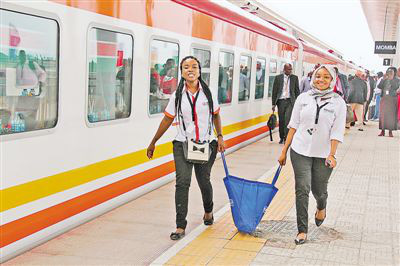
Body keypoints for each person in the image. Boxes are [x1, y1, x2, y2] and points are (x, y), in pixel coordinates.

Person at [147, 56, 225, 240]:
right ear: (181, 72)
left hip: (206, 144)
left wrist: (220, 136)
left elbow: (216, 116)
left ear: (199, 71)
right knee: (182, 183)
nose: (190, 69)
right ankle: (180, 226)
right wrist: (154, 141)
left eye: (194, 67)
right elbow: (167, 119)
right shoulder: (177, 95)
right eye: (186, 67)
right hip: (183, 143)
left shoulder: (208, 93)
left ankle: (208, 211)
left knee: (203, 180)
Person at [278, 65, 346, 245]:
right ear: (312, 78)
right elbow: (293, 126)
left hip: (323, 154)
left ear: (332, 80)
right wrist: (284, 151)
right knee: (302, 188)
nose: (320, 80)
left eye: (325, 77)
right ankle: (302, 230)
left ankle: (321, 206)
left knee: (319, 190)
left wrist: (332, 154)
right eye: (317, 76)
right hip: (300, 150)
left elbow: (337, 131)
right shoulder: (303, 98)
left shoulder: (338, 102)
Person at [272, 63, 300, 144]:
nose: (290, 71)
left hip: (290, 101)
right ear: (284, 69)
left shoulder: (295, 78)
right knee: (281, 120)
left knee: (288, 120)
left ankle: (286, 138)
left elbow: (297, 91)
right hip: (280, 101)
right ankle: (281, 137)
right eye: (289, 69)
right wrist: (273, 104)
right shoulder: (278, 78)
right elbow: (274, 91)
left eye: (291, 69)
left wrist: (298, 103)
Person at [377, 68, 399, 137]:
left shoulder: (397, 80)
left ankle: (390, 131)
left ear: (393, 73)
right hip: (384, 99)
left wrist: (391, 79)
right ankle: (382, 131)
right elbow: (379, 86)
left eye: (391, 73)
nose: (389, 74)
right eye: (388, 73)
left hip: (392, 99)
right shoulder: (384, 79)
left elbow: (396, 87)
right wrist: (383, 79)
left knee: (391, 116)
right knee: (383, 115)